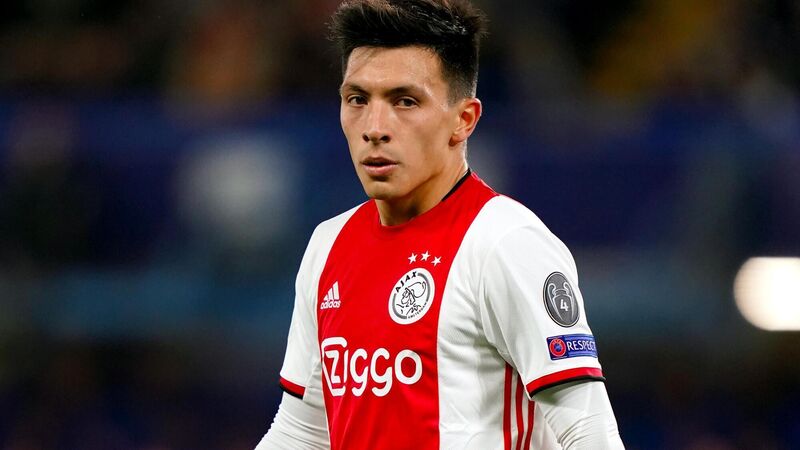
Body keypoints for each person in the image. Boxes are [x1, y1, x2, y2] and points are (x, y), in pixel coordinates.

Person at [256, 0, 625, 448]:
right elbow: (301, 431)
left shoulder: (507, 243)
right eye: (357, 99)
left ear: (463, 120)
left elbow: (588, 429)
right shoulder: (328, 244)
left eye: (405, 101)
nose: (374, 127)